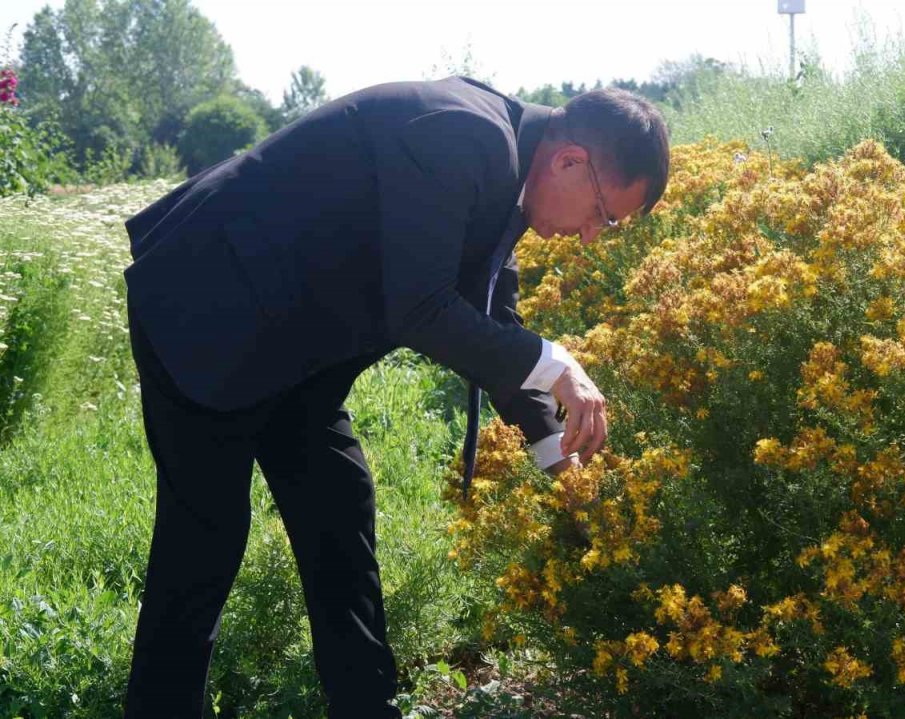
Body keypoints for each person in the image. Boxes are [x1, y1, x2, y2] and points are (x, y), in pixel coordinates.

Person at [119, 76, 670, 718]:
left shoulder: (511, 173)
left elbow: (490, 318)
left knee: (338, 511)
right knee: (204, 547)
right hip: (208, 309)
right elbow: (421, 309)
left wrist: (558, 455)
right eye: (603, 213)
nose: (592, 235)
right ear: (570, 161)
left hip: (293, 352)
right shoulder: (464, 136)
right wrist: (557, 364)